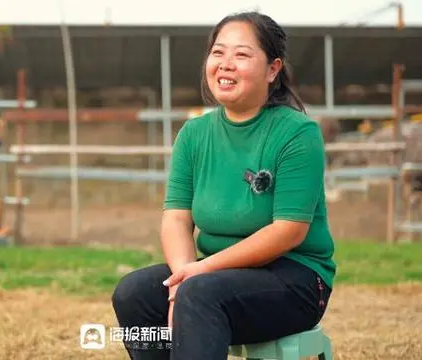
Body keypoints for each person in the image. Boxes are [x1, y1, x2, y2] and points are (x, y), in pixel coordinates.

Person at [111, 11, 335, 360]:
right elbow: (177, 220)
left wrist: (198, 274)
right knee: (135, 292)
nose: (226, 64)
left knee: (199, 294)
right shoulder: (194, 134)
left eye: (242, 55)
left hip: (297, 280)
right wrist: (180, 282)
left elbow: (289, 231)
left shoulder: (297, 133)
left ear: (273, 69)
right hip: (216, 275)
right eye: (218, 53)